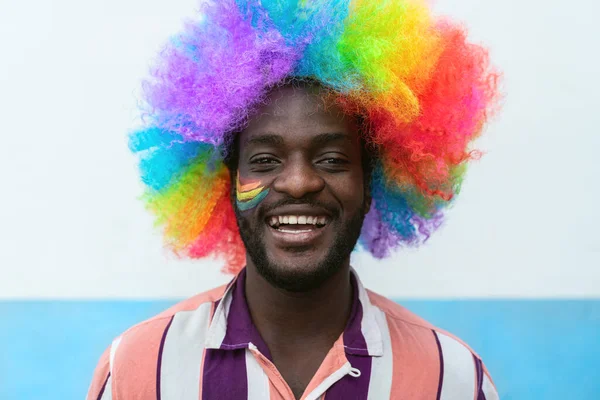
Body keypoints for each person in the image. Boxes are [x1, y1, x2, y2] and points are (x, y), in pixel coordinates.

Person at [88, 0, 500, 398]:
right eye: (265, 160)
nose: (299, 183)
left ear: (373, 183)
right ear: (225, 183)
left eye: (332, 159)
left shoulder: (451, 379)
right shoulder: (140, 370)